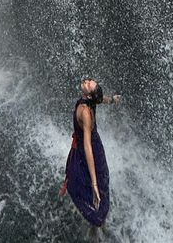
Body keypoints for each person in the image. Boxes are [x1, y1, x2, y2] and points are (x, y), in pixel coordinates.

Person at [60, 78, 121, 235]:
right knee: (83, 180)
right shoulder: (91, 101)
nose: (86, 81)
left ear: (88, 95)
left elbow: (87, 147)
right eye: (89, 81)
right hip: (90, 146)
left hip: (91, 150)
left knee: (96, 184)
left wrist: (94, 184)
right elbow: (102, 99)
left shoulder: (85, 112)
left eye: (89, 84)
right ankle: (97, 218)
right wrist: (113, 100)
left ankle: (97, 221)